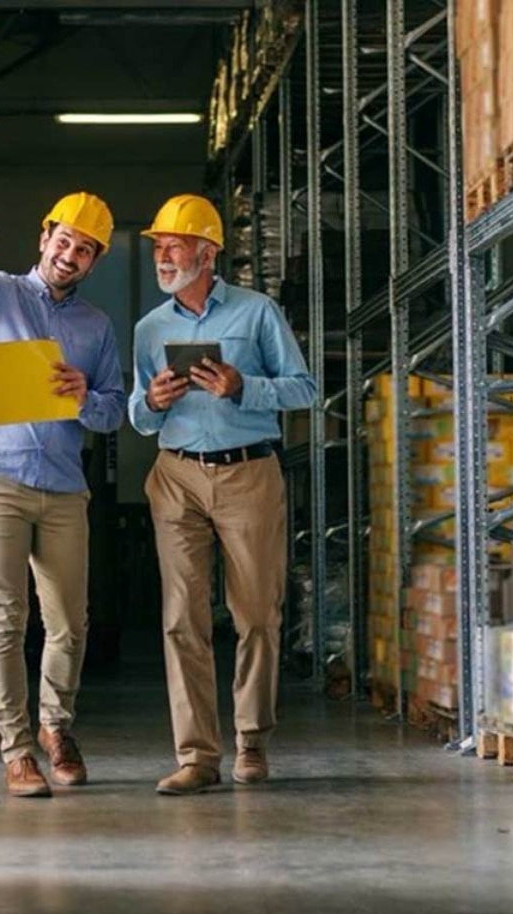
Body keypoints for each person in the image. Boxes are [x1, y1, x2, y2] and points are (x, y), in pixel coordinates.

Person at [129, 193, 318, 795]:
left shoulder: (257, 313)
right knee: (182, 618)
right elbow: (139, 416)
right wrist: (151, 401)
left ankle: (252, 741)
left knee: (256, 613)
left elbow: (304, 389)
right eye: (159, 248)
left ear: (207, 253)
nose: (163, 257)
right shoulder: (149, 328)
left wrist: (243, 387)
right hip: (176, 475)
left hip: (248, 473)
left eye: (174, 246)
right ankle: (196, 756)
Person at [0, 193, 127, 798]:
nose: (70, 255)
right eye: (64, 240)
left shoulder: (96, 328)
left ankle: (55, 726)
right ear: (45, 237)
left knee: (69, 621)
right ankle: (17, 751)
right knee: (5, 617)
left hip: (64, 485)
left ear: (94, 261)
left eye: (85, 249)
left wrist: (84, 396)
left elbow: (113, 412)